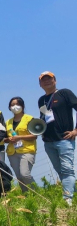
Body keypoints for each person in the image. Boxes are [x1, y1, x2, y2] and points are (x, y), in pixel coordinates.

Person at [37, 71, 77, 205]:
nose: (47, 81)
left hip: (65, 139)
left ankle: (67, 199)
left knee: (67, 170)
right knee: (60, 170)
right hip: (48, 141)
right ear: (40, 84)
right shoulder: (41, 100)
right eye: (44, 80)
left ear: (55, 80)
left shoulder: (64, 93)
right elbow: (45, 118)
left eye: (50, 78)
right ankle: (73, 194)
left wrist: (76, 130)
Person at [4, 97, 38, 193]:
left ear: (22, 106)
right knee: (19, 176)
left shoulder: (30, 118)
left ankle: (35, 193)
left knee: (25, 174)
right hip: (12, 152)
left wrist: (20, 137)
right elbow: (5, 138)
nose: (15, 106)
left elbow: (35, 135)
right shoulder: (8, 122)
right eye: (12, 105)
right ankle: (26, 195)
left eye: (17, 104)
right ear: (9, 107)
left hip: (27, 150)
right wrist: (8, 139)